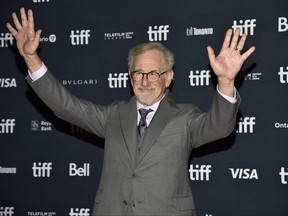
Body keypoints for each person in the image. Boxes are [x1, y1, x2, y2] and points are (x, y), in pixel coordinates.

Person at [7, 8, 255, 216]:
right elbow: (65, 106)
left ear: (168, 78)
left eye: (154, 73)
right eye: (138, 72)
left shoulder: (185, 118)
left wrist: (225, 81)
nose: (145, 81)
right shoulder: (113, 115)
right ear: (130, 76)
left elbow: (220, 127)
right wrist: (31, 58)